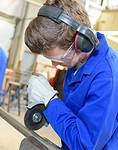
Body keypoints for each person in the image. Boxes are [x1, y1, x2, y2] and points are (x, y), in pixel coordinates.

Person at [25, 0, 118, 149]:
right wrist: (52, 112)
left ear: (82, 42)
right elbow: (77, 116)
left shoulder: (108, 78)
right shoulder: (77, 61)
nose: (55, 65)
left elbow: (84, 144)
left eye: (59, 59)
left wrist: (51, 102)